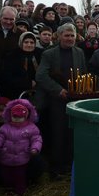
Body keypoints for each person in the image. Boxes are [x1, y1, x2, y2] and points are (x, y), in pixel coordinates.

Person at [35, 23, 87, 177]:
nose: (70, 38)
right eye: (67, 35)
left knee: (72, 133)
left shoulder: (79, 53)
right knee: (58, 133)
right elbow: (41, 76)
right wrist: (58, 90)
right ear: (59, 37)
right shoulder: (49, 54)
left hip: (75, 99)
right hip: (56, 100)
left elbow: (83, 73)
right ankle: (56, 168)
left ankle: (69, 165)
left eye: (72, 35)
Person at [0, 99, 42, 196]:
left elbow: (37, 139)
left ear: (26, 116)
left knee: (19, 177)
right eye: (14, 117)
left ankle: (20, 194)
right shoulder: (5, 127)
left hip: (22, 159)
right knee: (7, 177)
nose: (17, 120)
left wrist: (35, 148)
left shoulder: (31, 128)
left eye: (19, 117)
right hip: (6, 158)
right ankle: (8, 192)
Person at [0, 32, 42, 99]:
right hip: (17, 91)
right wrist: (27, 83)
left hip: (39, 90)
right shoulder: (12, 56)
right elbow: (8, 76)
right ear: (21, 43)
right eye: (26, 42)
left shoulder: (40, 54)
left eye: (32, 42)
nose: (29, 45)